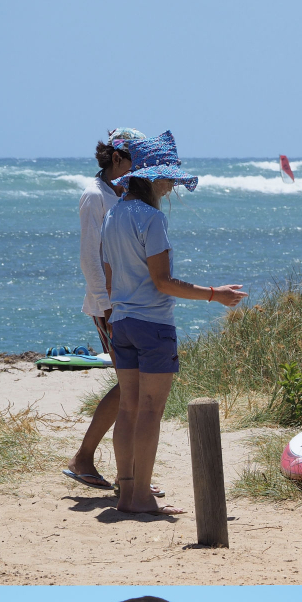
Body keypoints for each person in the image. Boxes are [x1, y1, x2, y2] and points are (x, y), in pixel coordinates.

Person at [102, 131, 247, 515]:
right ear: (153, 178)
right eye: (167, 179)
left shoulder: (112, 213)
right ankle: (142, 497)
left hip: (122, 320)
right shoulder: (151, 218)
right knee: (150, 410)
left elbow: (109, 276)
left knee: (128, 409)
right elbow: (163, 282)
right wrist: (216, 294)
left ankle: (126, 494)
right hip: (152, 324)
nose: (169, 187)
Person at [62, 128, 146, 493]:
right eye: (135, 159)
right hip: (111, 305)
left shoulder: (126, 192)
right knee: (135, 383)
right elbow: (90, 257)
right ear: (116, 158)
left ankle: (128, 474)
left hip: (135, 301)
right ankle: (91, 461)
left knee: (138, 383)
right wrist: (108, 305)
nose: (141, 168)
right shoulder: (93, 196)